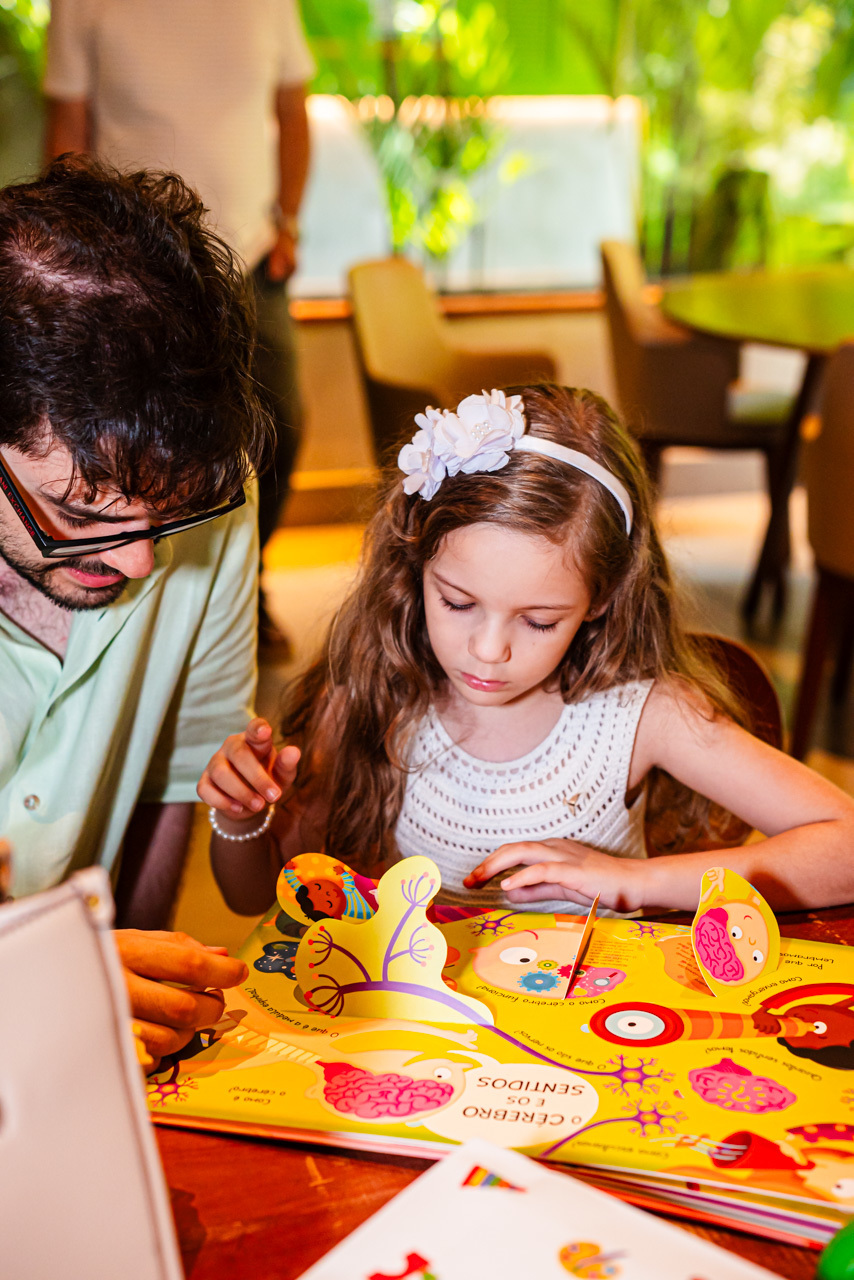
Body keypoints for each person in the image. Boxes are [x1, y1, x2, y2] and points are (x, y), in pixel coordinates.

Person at [199, 384, 854, 919]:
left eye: (539, 621)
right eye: (457, 603)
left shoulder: (645, 718)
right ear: (415, 564)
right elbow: (252, 896)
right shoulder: (376, 691)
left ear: (601, 597)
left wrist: (631, 882)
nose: (488, 651)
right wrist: (239, 818)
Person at [0, 155, 269, 1061]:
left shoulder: (206, 492)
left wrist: (148, 1009)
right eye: (77, 516)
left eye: (170, 516)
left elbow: (175, 774)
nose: (140, 561)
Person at [43, 0, 315, 649]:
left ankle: (245, 582)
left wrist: (288, 220)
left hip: (251, 256)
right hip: (138, 265)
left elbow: (293, 111)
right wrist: (78, 254)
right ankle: (148, 602)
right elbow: (68, 128)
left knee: (282, 422)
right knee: (140, 446)